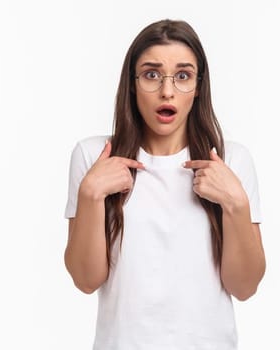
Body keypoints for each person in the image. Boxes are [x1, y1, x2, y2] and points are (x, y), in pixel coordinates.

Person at [63, 19, 265, 349]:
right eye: (152, 74)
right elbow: (86, 280)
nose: (167, 91)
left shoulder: (232, 161)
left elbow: (244, 287)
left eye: (182, 76)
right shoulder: (93, 157)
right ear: (132, 83)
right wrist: (89, 194)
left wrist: (237, 205)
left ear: (199, 86)